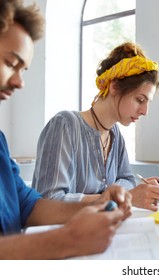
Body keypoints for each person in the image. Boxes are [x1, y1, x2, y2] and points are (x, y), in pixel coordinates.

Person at [0, 1, 131, 259]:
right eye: (10, 63)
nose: (19, 82)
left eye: (23, 70)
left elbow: (29, 206)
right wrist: (65, 240)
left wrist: (100, 203)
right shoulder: (66, 124)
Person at [32, 42, 159, 211]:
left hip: (100, 230)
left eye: (148, 103)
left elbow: (127, 178)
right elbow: (49, 200)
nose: (145, 111)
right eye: (140, 100)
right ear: (114, 87)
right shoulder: (65, 125)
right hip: (63, 234)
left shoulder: (115, 135)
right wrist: (121, 197)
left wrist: (124, 192)